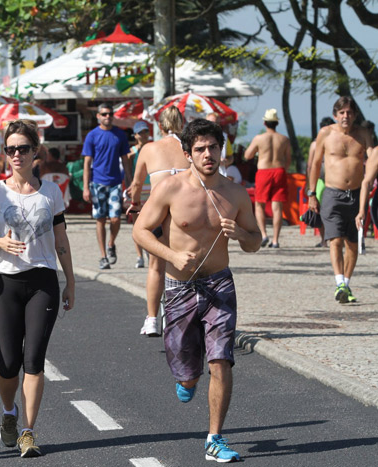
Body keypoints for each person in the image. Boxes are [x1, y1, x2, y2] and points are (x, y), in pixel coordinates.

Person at [133, 118, 261, 463]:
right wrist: (172, 254)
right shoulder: (171, 188)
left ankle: (214, 437)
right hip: (179, 287)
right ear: (188, 154)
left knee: (221, 360)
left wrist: (241, 235)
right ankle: (187, 379)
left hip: (219, 283)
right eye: (200, 149)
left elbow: (256, 241)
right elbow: (140, 231)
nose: (208, 154)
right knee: (186, 368)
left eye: (214, 148)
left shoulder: (234, 192)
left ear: (222, 150)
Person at [0, 119, 75, 458]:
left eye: (23, 148)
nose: (16, 154)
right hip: (6, 283)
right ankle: (9, 413)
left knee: (33, 361)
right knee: (8, 363)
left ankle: (29, 432)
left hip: (43, 282)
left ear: (36, 152)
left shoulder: (51, 192)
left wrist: (70, 282)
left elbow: (61, 241)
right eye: (10, 149)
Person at [127, 107, 188, 337]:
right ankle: (185, 315)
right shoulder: (189, 148)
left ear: (160, 126)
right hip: (185, 214)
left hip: (159, 215)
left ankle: (152, 318)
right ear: (182, 123)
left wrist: (134, 203)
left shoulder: (149, 149)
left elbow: (136, 185)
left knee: (156, 266)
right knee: (189, 266)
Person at [309, 96, 373, 303]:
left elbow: (373, 157)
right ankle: (339, 283)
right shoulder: (326, 133)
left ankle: (346, 283)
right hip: (332, 193)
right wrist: (312, 194)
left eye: (349, 112)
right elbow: (316, 164)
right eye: (342, 112)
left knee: (353, 243)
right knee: (335, 240)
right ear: (335, 114)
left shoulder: (363, 134)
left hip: (355, 194)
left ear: (355, 115)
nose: (346, 116)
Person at [82, 103, 132, 269]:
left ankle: (111, 243)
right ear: (98, 116)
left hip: (115, 183)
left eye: (110, 114)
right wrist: (86, 187)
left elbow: (125, 160)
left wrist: (130, 183)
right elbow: (87, 162)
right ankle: (103, 255)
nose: (107, 117)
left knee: (116, 218)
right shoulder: (92, 135)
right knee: (100, 220)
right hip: (97, 183)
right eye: (104, 114)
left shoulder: (119, 135)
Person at [243, 109, 291, 248]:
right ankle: (275, 240)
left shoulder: (259, 138)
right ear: (277, 123)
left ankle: (264, 234)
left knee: (259, 204)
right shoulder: (284, 139)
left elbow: (247, 155)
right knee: (277, 206)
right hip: (279, 170)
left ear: (265, 123)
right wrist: (283, 169)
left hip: (264, 171)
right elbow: (288, 159)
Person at [306, 117, 335, 247]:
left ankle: (325, 239)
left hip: (322, 179)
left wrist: (309, 184)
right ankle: (326, 239)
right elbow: (311, 166)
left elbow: (310, 166)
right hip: (326, 179)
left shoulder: (315, 143)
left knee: (322, 210)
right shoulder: (332, 141)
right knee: (323, 209)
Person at [126, 120, 151, 269]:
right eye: (140, 132)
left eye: (145, 131)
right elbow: (128, 173)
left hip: (151, 189)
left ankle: (150, 252)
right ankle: (139, 255)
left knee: (151, 222)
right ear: (135, 135)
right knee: (137, 224)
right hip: (137, 190)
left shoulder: (152, 148)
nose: (144, 135)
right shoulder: (132, 152)